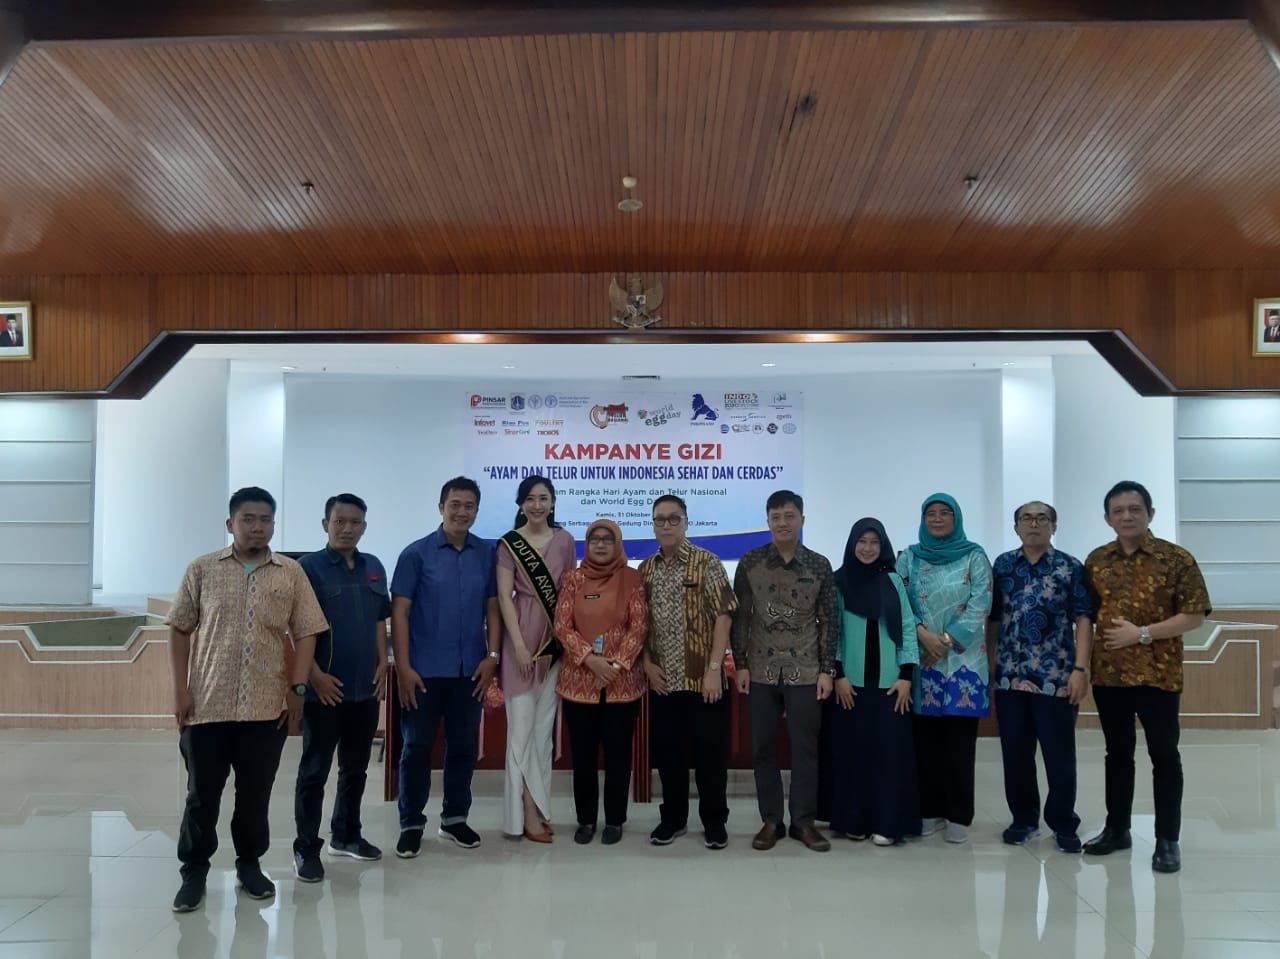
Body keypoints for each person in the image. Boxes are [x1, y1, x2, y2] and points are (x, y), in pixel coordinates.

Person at [166, 487, 327, 913]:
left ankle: (250, 865)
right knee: (202, 795)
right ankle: (193, 871)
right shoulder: (202, 569)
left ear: (274, 524)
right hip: (207, 706)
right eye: (248, 519)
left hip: (265, 707)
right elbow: (179, 628)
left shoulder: (291, 572)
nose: (257, 527)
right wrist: (180, 689)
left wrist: (298, 689)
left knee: (255, 796)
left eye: (265, 520)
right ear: (230, 524)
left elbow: (306, 632)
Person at [1082, 481, 1210, 874]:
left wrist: (1141, 633)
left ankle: (1167, 839)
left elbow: (1194, 615)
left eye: (1134, 509)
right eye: (1118, 511)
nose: (1127, 517)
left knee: (1164, 756)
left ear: (1150, 514)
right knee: (1117, 754)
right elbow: (1085, 616)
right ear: (1108, 518)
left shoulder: (1176, 559)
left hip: (1159, 674)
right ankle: (1117, 829)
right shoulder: (1096, 561)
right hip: (1110, 675)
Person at [391, 476, 500, 859]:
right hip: (422, 671)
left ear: (477, 511)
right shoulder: (416, 554)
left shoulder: (486, 554)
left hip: (470, 670)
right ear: (441, 507)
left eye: (469, 506)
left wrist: (493, 657)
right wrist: (403, 667)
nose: (461, 512)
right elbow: (400, 613)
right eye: (455, 504)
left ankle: (454, 818)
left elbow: (493, 608)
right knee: (416, 747)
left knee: (463, 747)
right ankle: (411, 823)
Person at [292, 493, 391, 882]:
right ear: (325, 524)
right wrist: (313, 675)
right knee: (314, 772)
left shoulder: (374, 567)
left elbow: (379, 621)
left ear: (364, 526)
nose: (347, 529)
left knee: (355, 769)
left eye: (355, 522)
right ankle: (305, 848)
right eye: (339, 521)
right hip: (324, 692)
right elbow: (295, 627)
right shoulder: (308, 568)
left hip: (364, 690)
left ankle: (347, 835)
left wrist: (383, 662)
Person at [732, 489, 838, 853]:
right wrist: (741, 664)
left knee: (804, 749)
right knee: (762, 748)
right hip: (760, 670)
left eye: (789, 516)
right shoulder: (750, 562)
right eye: (776, 517)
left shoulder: (819, 565)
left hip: (806, 670)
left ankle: (803, 822)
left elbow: (830, 621)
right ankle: (771, 821)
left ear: (802, 520)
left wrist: (826, 670)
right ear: (768, 521)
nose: (782, 523)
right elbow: (741, 618)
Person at [988, 501, 1093, 854]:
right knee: (1015, 753)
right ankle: (1023, 819)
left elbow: (1083, 619)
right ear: (1016, 527)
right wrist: (990, 666)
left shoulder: (1070, 567)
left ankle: (1063, 822)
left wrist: (1080, 669)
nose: (1034, 524)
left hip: (1056, 677)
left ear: (1054, 526)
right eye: (1026, 518)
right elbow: (993, 620)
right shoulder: (1003, 565)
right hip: (1009, 677)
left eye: (1042, 518)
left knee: (1058, 754)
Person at [639, 494, 737, 850]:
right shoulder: (645, 570)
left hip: (703, 680)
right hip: (663, 681)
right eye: (660, 519)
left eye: (673, 518)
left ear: (685, 522)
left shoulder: (706, 562)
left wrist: (714, 668)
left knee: (710, 756)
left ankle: (714, 822)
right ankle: (673, 819)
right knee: (669, 756)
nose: (666, 525)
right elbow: (639, 624)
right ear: (653, 525)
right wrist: (646, 663)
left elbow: (724, 615)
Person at [896, 493, 992, 845]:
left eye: (944, 513)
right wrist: (924, 636)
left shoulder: (974, 556)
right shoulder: (909, 558)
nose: (937, 519)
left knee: (959, 745)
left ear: (956, 518)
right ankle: (929, 810)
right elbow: (899, 601)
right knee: (925, 744)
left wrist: (946, 641)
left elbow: (981, 603)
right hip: (922, 662)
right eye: (931, 513)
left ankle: (958, 815)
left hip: (965, 663)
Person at [554, 519, 648, 845]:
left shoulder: (632, 579)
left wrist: (616, 665)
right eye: (595, 538)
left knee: (618, 756)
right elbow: (562, 626)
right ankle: (586, 820)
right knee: (583, 757)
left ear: (617, 543)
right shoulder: (573, 579)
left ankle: (615, 820)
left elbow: (639, 626)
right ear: (587, 543)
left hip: (621, 684)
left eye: (608, 539)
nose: (601, 544)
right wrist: (591, 660)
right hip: (579, 682)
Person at [829, 517, 920, 846]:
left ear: (882, 546)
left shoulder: (893, 581)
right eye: (862, 541)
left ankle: (887, 823)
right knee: (853, 753)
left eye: (874, 542)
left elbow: (907, 627)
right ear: (852, 544)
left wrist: (906, 676)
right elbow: (834, 631)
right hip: (851, 684)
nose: (867, 548)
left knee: (888, 756)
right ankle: (853, 820)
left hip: (889, 684)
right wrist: (839, 674)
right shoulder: (840, 582)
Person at [496, 475, 576, 841]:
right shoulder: (509, 544)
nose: (537, 505)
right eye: (530, 499)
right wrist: (519, 647)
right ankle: (521, 816)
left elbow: (570, 592)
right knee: (521, 732)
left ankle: (539, 806)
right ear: (521, 504)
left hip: (555, 641)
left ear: (553, 502)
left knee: (543, 733)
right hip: (522, 640)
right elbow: (504, 597)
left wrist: (568, 640)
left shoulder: (565, 540)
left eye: (543, 498)